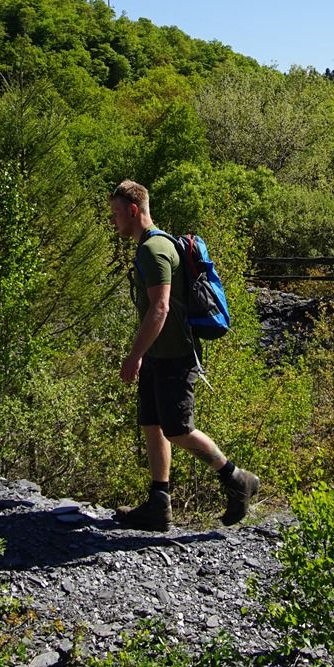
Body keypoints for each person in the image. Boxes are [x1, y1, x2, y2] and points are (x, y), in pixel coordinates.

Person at [107, 179, 260, 531]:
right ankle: (159, 503)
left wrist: (134, 354)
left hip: (175, 357)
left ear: (134, 210)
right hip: (158, 355)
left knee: (177, 430)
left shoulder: (154, 249)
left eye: (116, 213)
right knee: (151, 423)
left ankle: (237, 479)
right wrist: (144, 354)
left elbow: (159, 308)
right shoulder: (149, 246)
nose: (113, 220)